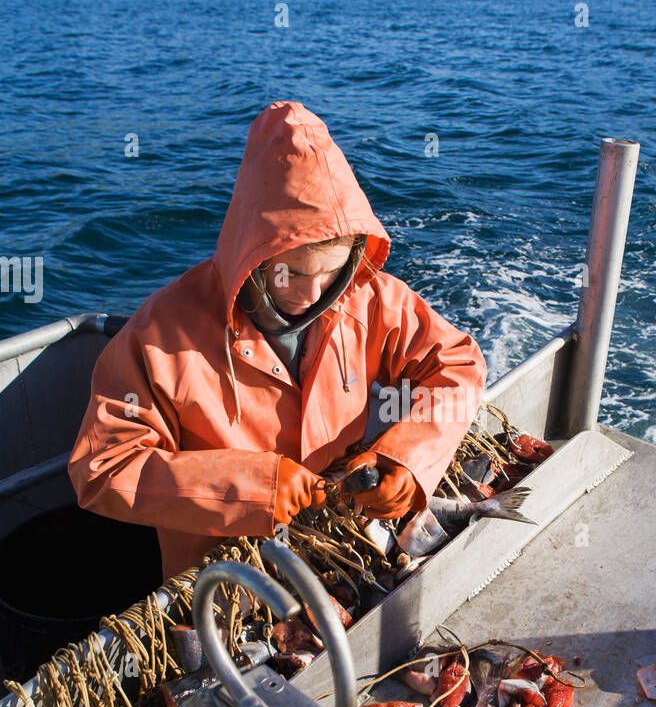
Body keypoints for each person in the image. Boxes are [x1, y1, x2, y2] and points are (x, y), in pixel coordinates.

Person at [68, 102, 487, 581]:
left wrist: (407, 460)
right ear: (254, 254)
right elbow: (102, 469)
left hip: (342, 550)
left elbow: (458, 366)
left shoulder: (369, 297)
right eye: (292, 274)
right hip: (224, 583)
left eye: (331, 273)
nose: (313, 296)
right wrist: (253, 487)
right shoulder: (159, 335)